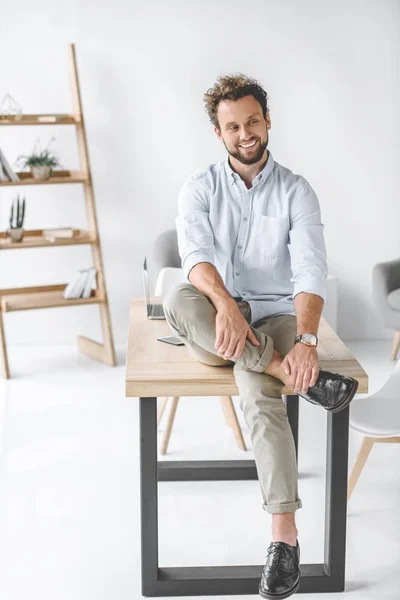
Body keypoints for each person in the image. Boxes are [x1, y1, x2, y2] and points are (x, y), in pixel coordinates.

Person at [162, 74, 358, 600]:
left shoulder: (297, 190)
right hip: (217, 319)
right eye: (232, 126)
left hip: (275, 318)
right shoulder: (198, 187)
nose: (244, 133)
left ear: (267, 120)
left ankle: (283, 539)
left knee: (256, 393)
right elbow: (195, 258)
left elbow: (310, 273)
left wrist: (309, 343)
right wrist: (225, 304)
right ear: (218, 133)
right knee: (180, 298)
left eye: (252, 121)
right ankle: (280, 371)